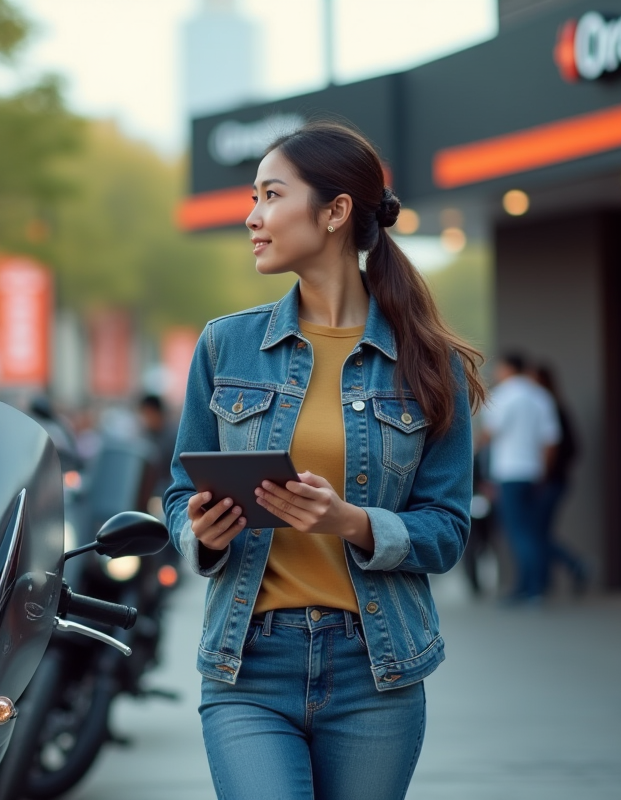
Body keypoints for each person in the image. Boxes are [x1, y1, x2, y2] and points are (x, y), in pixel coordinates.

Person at [163, 120, 485, 800]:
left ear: (336, 212)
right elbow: (177, 494)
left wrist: (352, 522)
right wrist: (201, 531)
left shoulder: (430, 364)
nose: (253, 217)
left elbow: (448, 529)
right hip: (249, 664)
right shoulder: (226, 346)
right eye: (254, 197)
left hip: (376, 668)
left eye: (271, 195)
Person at [479, 352, 559, 603]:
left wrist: (472, 453)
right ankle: (537, 585)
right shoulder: (541, 396)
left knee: (517, 533)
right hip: (533, 472)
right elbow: (551, 440)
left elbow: (489, 433)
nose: (495, 373)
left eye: (498, 368)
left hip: (509, 471)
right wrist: (543, 472)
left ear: (507, 368)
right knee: (532, 531)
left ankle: (528, 588)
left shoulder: (503, 396)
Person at [531, 364, 589, 594]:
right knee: (538, 532)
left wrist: (547, 473)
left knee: (536, 533)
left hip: (550, 482)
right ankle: (549, 579)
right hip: (551, 481)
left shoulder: (552, 409)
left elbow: (570, 448)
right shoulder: (548, 407)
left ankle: (576, 565)